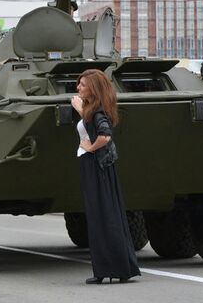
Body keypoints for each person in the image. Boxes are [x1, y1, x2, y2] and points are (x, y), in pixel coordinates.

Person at [71, 69, 140, 284]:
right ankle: (116, 269)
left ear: (93, 87)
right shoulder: (93, 109)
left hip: (96, 167)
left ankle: (107, 270)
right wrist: (82, 110)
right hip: (95, 167)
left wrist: (90, 148)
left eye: (82, 84)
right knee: (104, 216)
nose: (78, 88)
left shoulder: (97, 111)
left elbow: (105, 135)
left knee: (101, 217)